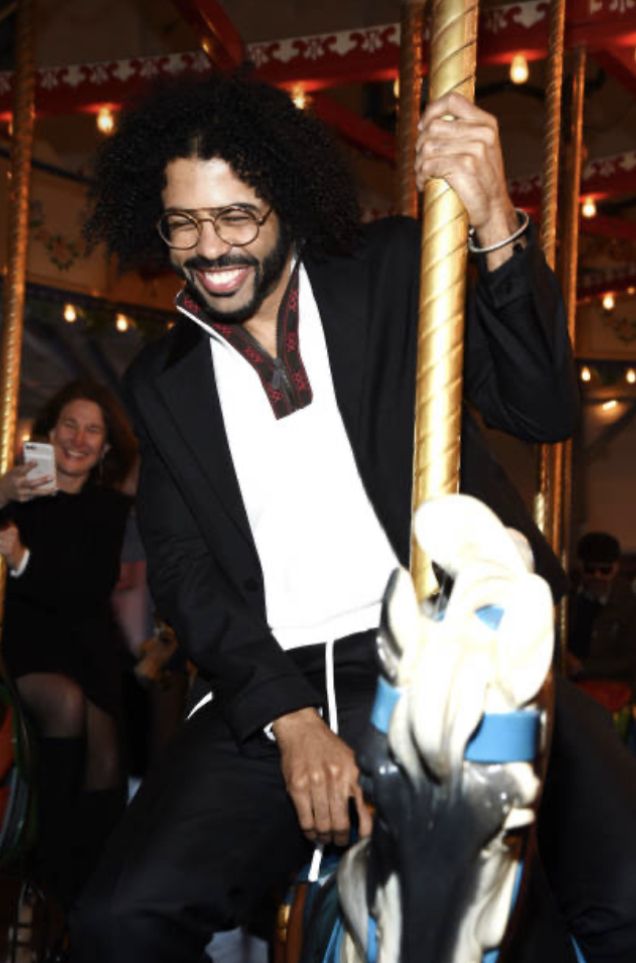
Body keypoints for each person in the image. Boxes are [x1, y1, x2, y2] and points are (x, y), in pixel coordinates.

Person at [71, 72, 636, 963]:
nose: (209, 246)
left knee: (619, 886)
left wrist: (492, 223)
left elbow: (544, 408)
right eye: (184, 223)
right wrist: (290, 720)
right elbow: (182, 568)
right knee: (118, 919)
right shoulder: (164, 378)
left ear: (286, 205)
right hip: (271, 689)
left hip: (449, 658)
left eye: (236, 217)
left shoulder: (394, 270)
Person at [0, 379, 137, 908]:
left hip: (85, 642)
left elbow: (88, 587)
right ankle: (45, 864)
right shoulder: (22, 491)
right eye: (70, 426)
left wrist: (23, 562)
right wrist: (4, 493)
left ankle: (86, 896)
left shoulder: (108, 509)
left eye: (92, 430)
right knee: (66, 703)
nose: (78, 438)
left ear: (105, 449)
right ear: (50, 432)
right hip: (27, 642)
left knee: (105, 754)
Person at [568, 531, 636, 699]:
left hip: (614, 693)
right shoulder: (567, 597)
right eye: (590, 569)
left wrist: (582, 667)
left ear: (616, 567)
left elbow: (629, 659)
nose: (597, 576)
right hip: (570, 689)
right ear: (580, 566)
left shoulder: (628, 604)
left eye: (605, 570)